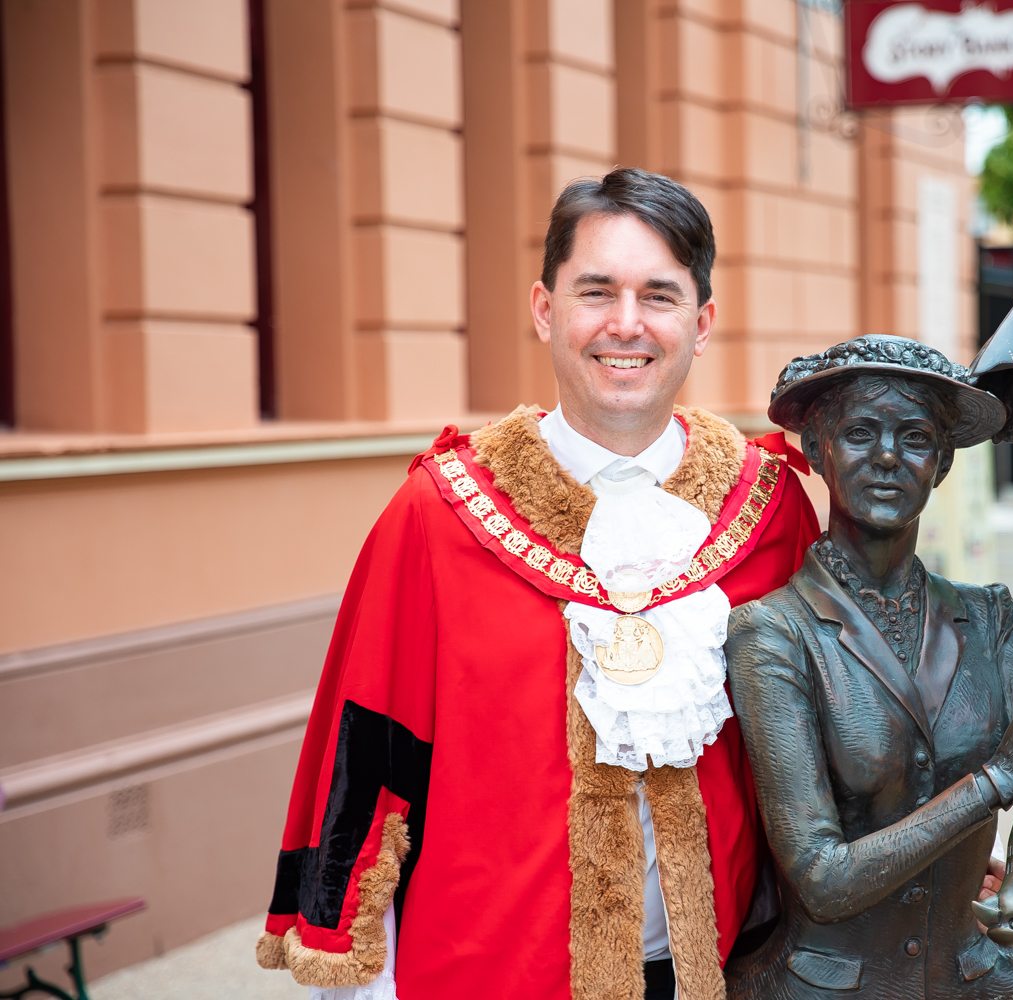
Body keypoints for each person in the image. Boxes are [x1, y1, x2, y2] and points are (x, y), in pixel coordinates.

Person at [254, 168, 821, 1000]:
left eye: (659, 297)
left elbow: (837, 725)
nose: (626, 325)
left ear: (700, 325)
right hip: (488, 975)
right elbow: (367, 755)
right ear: (545, 310)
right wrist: (358, 977)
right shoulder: (437, 515)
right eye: (597, 291)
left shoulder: (767, 510)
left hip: (715, 976)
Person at [722, 336, 1013, 999]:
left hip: (969, 980)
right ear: (816, 450)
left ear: (941, 464)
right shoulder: (774, 634)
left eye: (914, 438)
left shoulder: (990, 621)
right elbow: (822, 880)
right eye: (860, 433)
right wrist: (999, 777)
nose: (887, 457)